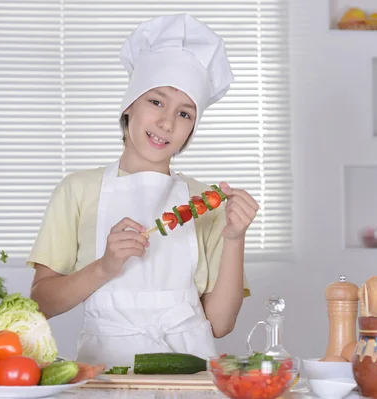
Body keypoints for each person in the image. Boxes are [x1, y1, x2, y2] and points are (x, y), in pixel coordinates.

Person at [28, 13, 259, 368]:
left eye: (185, 114)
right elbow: (41, 303)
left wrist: (234, 238)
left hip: (191, 374)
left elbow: (221, 324)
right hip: (105, 377)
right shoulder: (76, 190)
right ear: (129, 105)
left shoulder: (207, 203)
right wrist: (105, 267)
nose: (167, 122)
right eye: (156, 101)